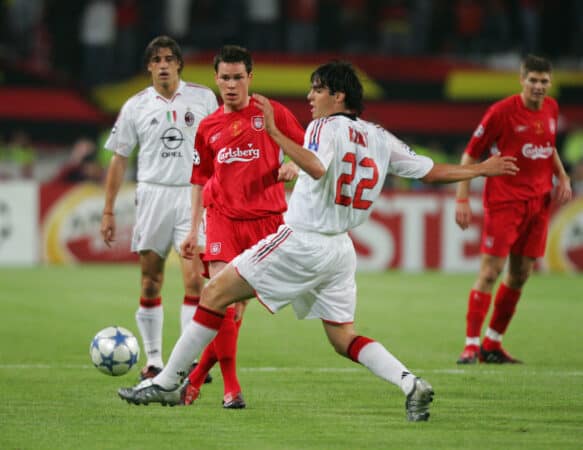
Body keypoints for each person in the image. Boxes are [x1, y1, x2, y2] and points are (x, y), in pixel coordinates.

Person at [117, 60, 518, 421]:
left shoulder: (323, 127)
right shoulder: (379, 136)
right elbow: (429, 171)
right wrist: (481, 169)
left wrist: (274, 131)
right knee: (343, 338)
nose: (310, 97)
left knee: (213, 294)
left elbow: (314, 166)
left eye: (317, 89)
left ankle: (167, 383)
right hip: (340, 250)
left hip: (302, 239)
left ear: (337, 95)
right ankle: (411, 383)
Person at [178, 44, 304, 409]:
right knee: (219, 297)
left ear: (250, 78)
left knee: (234, 309)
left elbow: (307, 148)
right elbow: (200, 180)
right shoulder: (208, 126)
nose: (231, 85)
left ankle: (196, 377)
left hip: (266, 221)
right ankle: (231, 389)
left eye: (238, 78)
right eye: (224, 78)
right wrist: (192, 229)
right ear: (215, 80)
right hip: (222, 219)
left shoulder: (272, 112)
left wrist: (293, 167)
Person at [100, 35, 218, 381]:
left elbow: (220, 141)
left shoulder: (203, 98)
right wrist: (108, 211)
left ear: (179, 63)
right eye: (157, 59)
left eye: (169, 58)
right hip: (153, 196)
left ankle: (185, 361)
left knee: (195, 280)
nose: (163, 64)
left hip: (192, 196)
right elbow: (119, 160)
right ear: (149, 66)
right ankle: (153, 360)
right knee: (151, 280)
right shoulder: (136, 105)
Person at [455, 54, 572, 365]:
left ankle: (492, 343)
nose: (538, 86)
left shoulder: (551, 108)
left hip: (540, 202)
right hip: (505, 201)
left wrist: (561, 175)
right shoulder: (501, 112)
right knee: (491, 272)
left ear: (550, 83)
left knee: (520, 275)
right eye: (532, 80)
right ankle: (470, 345)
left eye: (544, 81)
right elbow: (469, 156)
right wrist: (462, 198)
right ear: (522, 80)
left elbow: (548, 145)